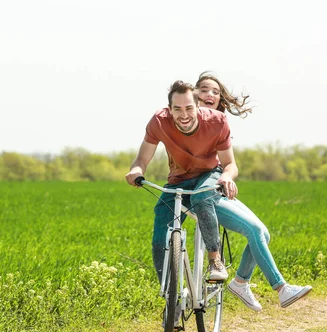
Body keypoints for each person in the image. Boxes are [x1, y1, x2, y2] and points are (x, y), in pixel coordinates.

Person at [125, 79, 311, 313]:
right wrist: (136, 170)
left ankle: (218, 262)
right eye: (177, 109)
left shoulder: (217, 122)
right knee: (159, 230)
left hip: (209, 179)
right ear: (169, 109)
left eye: (189, 108)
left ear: (198, 106)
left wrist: (226, 177)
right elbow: (142, 158)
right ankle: (169, 295)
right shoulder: (159, 121)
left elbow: (230, 164)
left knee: (227, 213)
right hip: (178, 183)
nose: (183, 114)